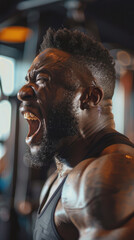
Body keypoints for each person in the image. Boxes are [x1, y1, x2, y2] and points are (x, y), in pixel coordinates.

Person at [17, 28, 134, 240]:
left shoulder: (109, 176)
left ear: (89, 97)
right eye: (28, 79)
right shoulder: (62, 173)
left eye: (42, 79)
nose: (23, 92)